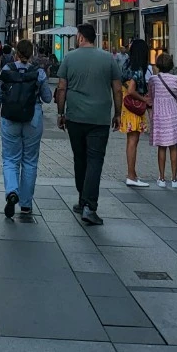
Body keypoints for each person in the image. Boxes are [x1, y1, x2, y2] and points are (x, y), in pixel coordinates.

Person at [55, 22, 122, 226]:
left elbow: (61, 88)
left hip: (75, 117)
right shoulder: (108, 59)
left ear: (81, 37)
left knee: (80, 158)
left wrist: (60, 113)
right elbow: (117, 89)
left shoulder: (69, 58)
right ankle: (89, 206)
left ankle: (82, 199)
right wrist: (118, 114)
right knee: (95, 160)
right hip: (99, 119)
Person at [0, 39, 52, 219]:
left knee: (10, 159)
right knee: (30, 161)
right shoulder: (38, 72)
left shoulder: (7, 69)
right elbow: (47, 98)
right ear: (31, 54)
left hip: (10, 117)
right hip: (33, 117)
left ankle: (12, 191)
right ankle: (26, 204)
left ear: (16, 53)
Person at [149, 51, 177, 188]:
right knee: (173, 146)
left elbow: (151, 96)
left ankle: (162, 178)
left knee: (162, 146)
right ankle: (175, 179)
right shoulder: (175, 79)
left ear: (158, 65)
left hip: (160, 115)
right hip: (173, 114)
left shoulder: (153, 79)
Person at [120, 38, 151, 188]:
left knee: (130, 140)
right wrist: (144, 99)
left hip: (126, 105)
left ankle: (132, 174)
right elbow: (132, 89)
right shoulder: (138, 68)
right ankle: (131, 175)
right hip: (134, 107)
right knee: (133, 140)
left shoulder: (127, 64)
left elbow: (124, 84)